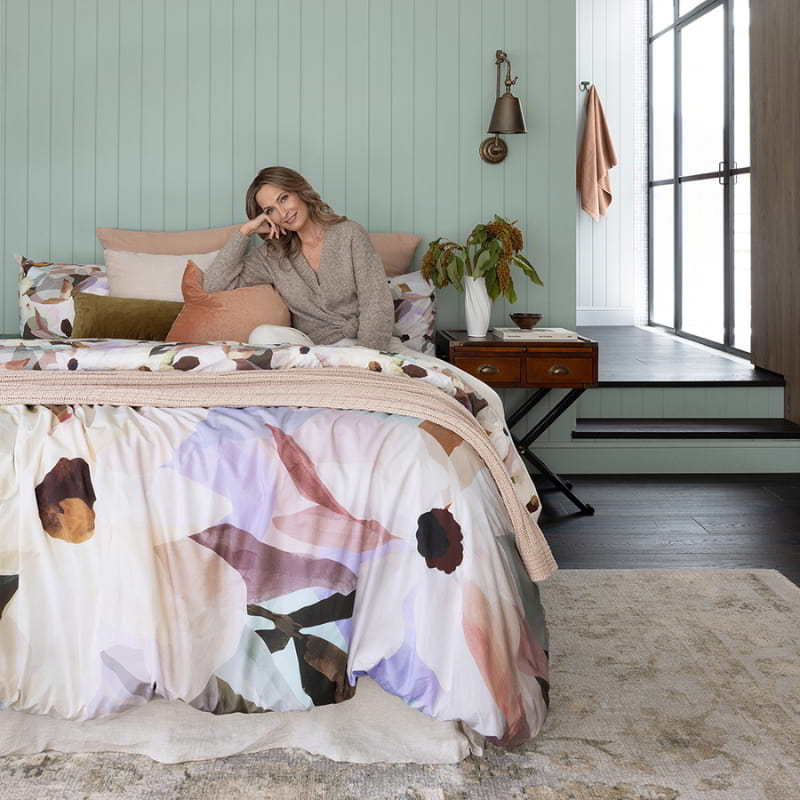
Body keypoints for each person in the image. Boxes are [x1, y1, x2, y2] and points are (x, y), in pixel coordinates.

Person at [203, 166, 394, 351]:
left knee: (422, 371)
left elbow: (376, 302)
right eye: (270, 210)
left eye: (284, 198)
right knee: (262, 335)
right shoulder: (272, 255)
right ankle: (319, 373)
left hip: (361, 345)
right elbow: (213, 284)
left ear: (299, 191)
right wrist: (245, 232)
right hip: (311, 351)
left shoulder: (350, 234)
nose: (283, 212)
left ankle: (333, 373)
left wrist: (366, 356)